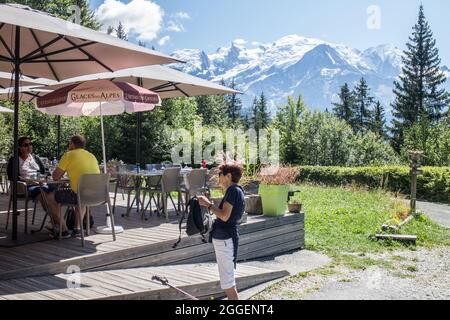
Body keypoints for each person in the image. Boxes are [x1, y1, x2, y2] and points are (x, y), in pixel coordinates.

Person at [197, 161, 245, 300]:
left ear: (228, 176)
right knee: (228, 281)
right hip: (227, 238)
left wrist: (207, 204)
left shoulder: (232, 191)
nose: (218, 178)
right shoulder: (238, 190)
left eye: (220, 175)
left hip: (225, 239)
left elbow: (224, 216)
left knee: (228, 284)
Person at [6, 137, 71, 238]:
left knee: (53, 196)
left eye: (30, 144)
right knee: (46, 196)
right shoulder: (14, 159)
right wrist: (29, 180)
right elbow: (12, 177)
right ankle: (63, 228)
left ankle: (55, 225)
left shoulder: (35, 158)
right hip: (25, 186)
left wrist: (43, 178)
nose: (29, 147)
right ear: (19, 148)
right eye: (25, 145)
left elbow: (45, 172)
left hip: (41, 184)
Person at [52, 135, 100, 237]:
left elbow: (56, 177)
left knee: (51, 197)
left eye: (70, 143)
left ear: (72, 144)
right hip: (97, 195)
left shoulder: (69, 155)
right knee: (81, 195)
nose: (69, 145)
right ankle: (77, 229)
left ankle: (62, 229)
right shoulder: (92, 156)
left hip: (80, 195)